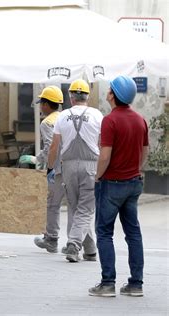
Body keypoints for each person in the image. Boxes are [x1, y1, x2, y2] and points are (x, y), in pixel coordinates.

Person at [88, 76, 148, 297]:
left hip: (112, 184)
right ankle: (136, 285)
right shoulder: (140, 119)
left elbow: (105, 155)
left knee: (104, 232)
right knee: (133, 234)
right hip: (133, 183)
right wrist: (135, 168)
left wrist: (97, 176)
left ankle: (107, 283)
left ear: (113, 94)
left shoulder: (110, 120)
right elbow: (145, 152)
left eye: (110, 89)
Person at [48, 79, 103, 263]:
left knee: (76, 207)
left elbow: (54, 147)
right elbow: (103, 144)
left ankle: (90, 250)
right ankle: (73, 244)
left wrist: (49, 168)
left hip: (68, 166)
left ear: (70, 97)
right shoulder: (97, 115)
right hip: (90, 166)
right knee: (86, 209)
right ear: (87, 96)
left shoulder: (62, 116)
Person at [19, 86, 67, 253]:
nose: (40, 106)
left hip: (57, 169)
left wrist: (37, 159)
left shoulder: (47, 123)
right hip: (72, 167)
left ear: (46, 104)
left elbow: (50, 146)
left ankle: (51, 240)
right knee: (78, 207)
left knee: (52, 205)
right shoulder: (65, 118)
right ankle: (84, 245)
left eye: (41, 103)